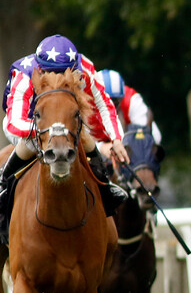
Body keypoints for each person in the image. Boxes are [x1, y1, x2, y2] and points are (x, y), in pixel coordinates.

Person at [1, 35, 130, 234]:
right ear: (40, 69)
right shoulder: (24, 73)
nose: (59, 79)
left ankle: (106, 189)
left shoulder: (83, 67)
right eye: (53, 73)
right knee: (27, 147)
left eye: (65, 73)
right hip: (31, 124)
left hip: (68, 123)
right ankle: (4, 187)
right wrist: (48, 130)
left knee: (88, 144)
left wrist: (117, 139)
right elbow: (13, 122)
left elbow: (103, 103)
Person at [96, 69, 162, 145]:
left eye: (115, 103)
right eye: (103, 104)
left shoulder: (131, 100)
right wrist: (101, 147)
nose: (110, 109)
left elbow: (150, 136)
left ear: (121, 99)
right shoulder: (85, 104)